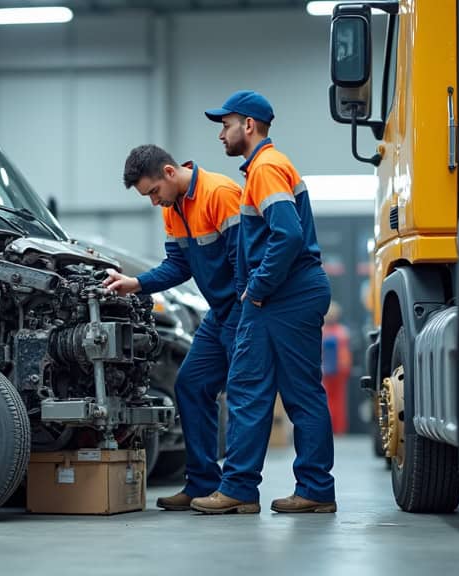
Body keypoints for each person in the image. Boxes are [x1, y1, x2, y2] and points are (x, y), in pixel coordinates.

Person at [190, 90, 336, 514]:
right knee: (301, 393)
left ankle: (238, 488)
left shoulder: (266, 168)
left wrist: (256, 289)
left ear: (248, 126)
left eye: (226, 124)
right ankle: (314, 490)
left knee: (248, 388)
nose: (221, 133)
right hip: (296, 290)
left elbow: (287, 235)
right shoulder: (268, 166)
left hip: (281, 295)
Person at [103, 144, 243, 511]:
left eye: (153, 192)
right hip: (219, 312)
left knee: (244, 397)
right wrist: (135, 283)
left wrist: (248, 308)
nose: (153, 202)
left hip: (244, 310)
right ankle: (200, 484)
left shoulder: (219, 193)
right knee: (191, 383)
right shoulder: (173, 209)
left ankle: (241, 490)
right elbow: (177, 266)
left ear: (169, 172)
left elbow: (246, 257)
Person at [321, 302, 351, 434]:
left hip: (329, 369)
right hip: (340, 369)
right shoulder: (343, 331)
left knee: (327, 398)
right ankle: (338, 428)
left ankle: (330, 427)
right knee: (339, 400)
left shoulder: (322, 331)